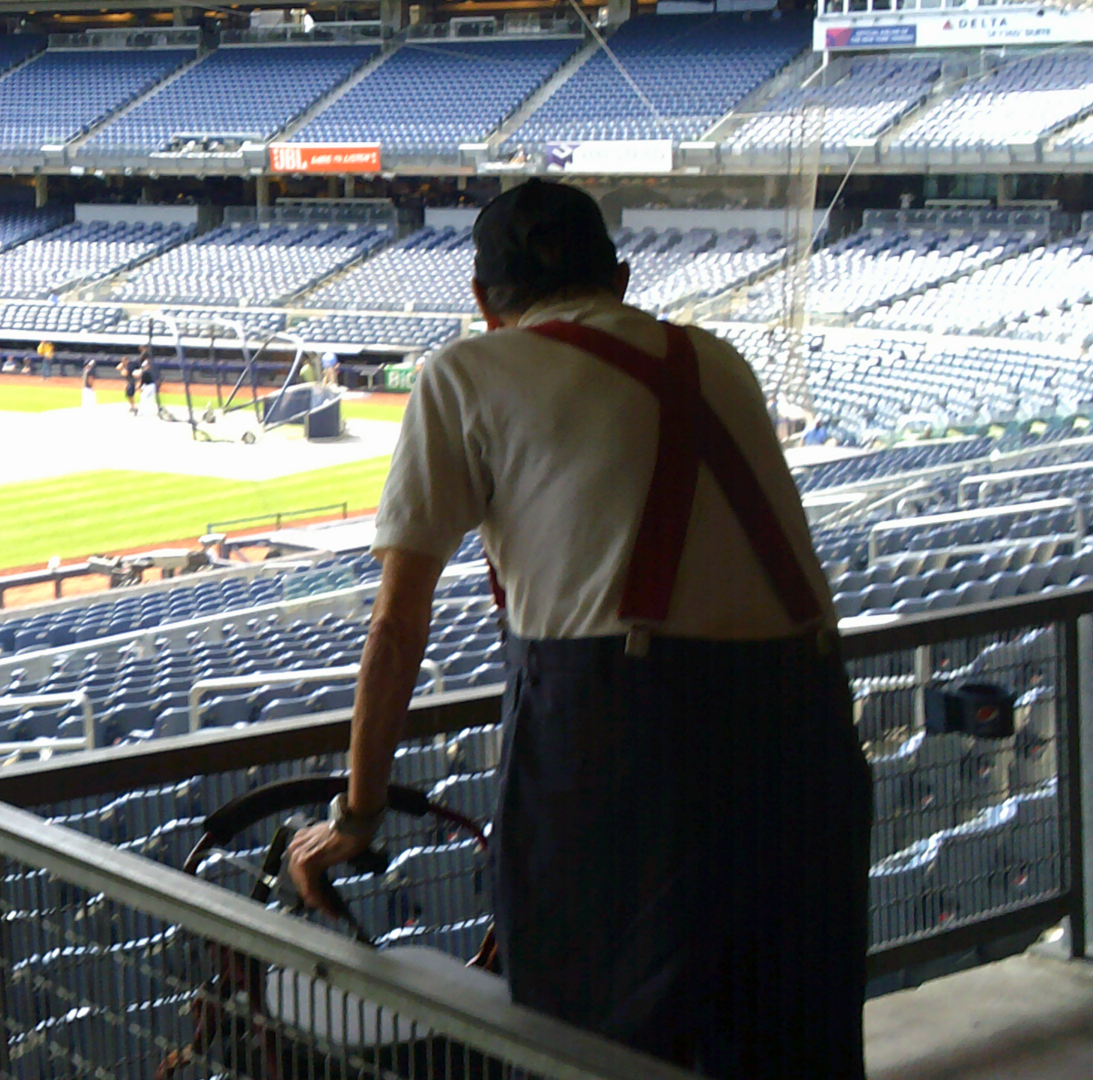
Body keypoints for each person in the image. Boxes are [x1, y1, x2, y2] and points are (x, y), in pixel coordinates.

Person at [286, 180, 870, 1080]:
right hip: (808, 724)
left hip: (622, 740)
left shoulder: (464, 372)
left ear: (483, 301)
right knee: (791, 1025)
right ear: (622, 278)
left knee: (596, 1042)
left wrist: (356, 816)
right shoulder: (718, 358)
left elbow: (399, 627)